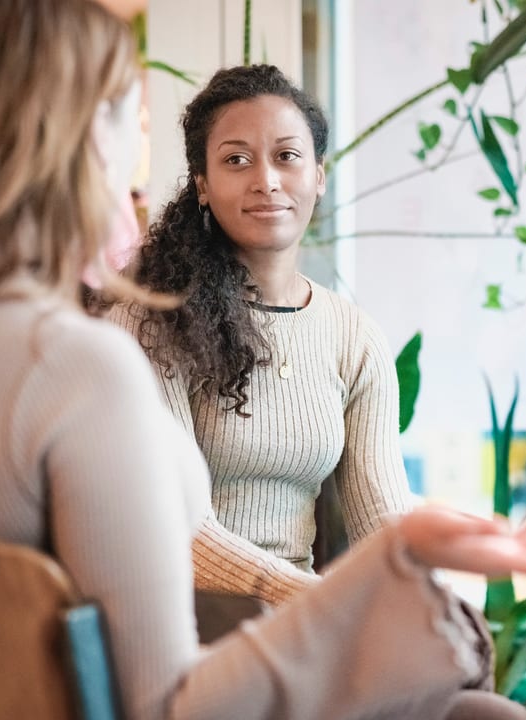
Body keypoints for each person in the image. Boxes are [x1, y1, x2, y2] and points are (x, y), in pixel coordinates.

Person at [0, 2, 526, 719]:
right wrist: (393, 561)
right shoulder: (77, 367)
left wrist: (395, 545)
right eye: (126, 126)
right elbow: (170, 705)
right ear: (73, 144)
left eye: (289, 157)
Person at [108, 64, 413, 607]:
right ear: (201, 184)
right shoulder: (152, 321)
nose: (266, 180)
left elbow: (384, 523)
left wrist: (427, 593)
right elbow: (179, 529)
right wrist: (314, 603)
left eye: (287, 156)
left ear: (319, 175)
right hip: (178, 614)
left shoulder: (354, 336)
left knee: (467, 689)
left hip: (300, 614)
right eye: (236, 160)